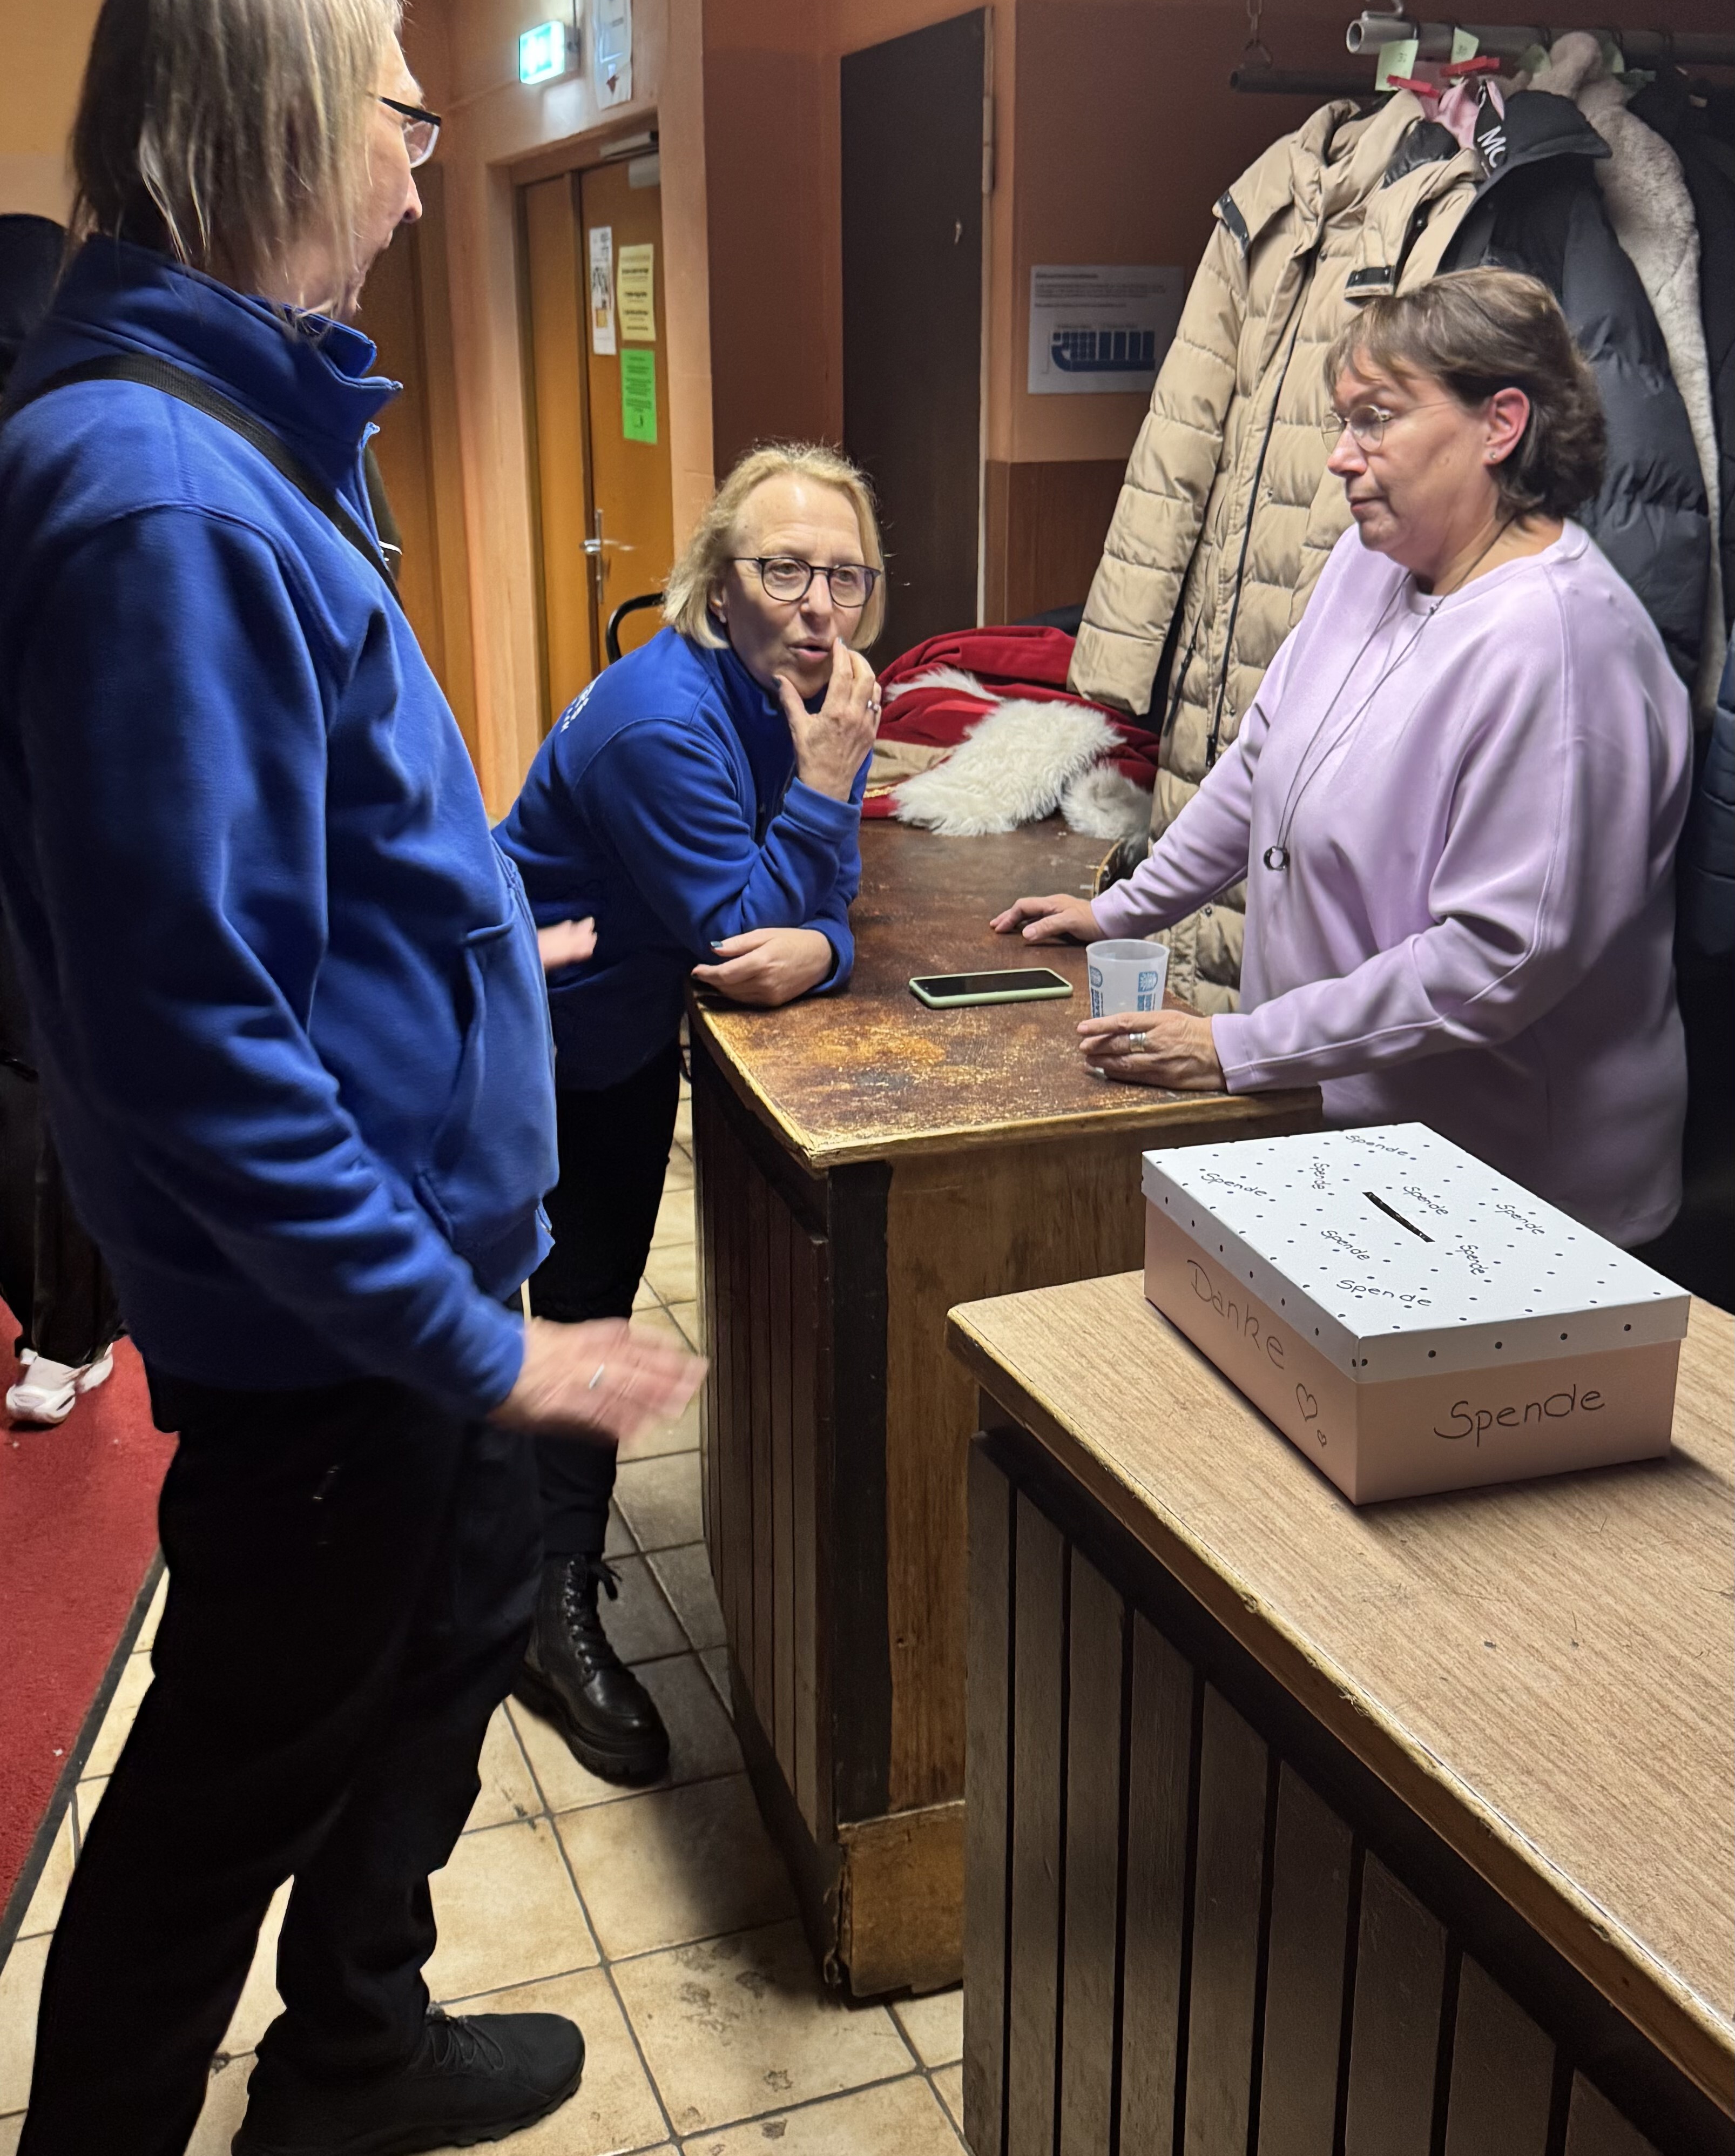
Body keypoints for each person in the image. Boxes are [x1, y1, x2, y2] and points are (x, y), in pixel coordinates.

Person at [0, 0, 701, 2156]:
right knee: (230, 1778)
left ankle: (357, 2051)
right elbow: (189, 1036)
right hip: (339, 1329)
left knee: (445, 1644)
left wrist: (473, 944)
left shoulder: (248, 429)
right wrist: (480, 1336)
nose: (425, 164)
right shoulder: (147, 493)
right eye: (406, 112)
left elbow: (301, 858)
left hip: (410, 1295)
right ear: (283, 128)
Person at [994, 270, 1692, 1248]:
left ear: (1499, 424)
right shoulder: (1375, 561)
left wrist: (1240, 1047)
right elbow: (1263, 762)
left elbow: (1494, 961)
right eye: (1342, 421)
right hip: (1350, 1131)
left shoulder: (1564, 647)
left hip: (1512, 1193)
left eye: (1376, 419)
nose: (1338, 456)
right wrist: (1125, 908)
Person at [495, 444, 882, 1778]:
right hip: (528, 1042)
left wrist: (824, 943)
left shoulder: (812, 696)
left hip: (614, 1026)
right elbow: (737, 938)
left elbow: (816, 908)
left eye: (845, 576)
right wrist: (822, 801)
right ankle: (530, 1609)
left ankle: (530, 1577)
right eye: (784, 571)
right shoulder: (661, 725)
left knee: (583, 1302)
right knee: (556, 1312)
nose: (819, 605)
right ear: (720, 589)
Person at [0, 217, 125, 1422]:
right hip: (65, 811)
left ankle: (66, 1323)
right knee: (53, 1064)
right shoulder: (87, 440)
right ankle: (69, 1327)